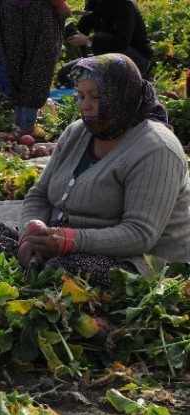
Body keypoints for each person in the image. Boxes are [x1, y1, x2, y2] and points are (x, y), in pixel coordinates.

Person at [16, 53, 190, 286]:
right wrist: (30, 237)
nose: (84, 105)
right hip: (70, 241)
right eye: (81, 95)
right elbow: (38, 196)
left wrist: (70, 241)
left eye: (96, 97)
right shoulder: (77, 133)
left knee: (64, 271)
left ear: (123, 97)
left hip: (139, 259)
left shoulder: (157, 149)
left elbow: (140, 234)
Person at [0, 0, 72, 140]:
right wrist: (61, 5)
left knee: (17, 65)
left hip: (9, 8)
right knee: (38, 64)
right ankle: (25, 126)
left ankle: (20, 123)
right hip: (34, 10)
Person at [56, 0, 153, 89]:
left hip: (135, 59)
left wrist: (89, 40)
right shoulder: (93, 4)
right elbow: (82, 30)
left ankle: (107, 87)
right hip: (104, 57)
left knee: (101, 38)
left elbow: (122, 43)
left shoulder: (125, 4)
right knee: (64, 75)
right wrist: (70, 32)